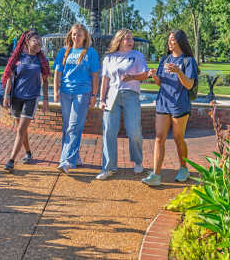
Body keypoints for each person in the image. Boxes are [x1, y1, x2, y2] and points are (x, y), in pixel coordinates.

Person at [141, 29, 199, 186]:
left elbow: (189, 84)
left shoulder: (188, 61)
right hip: (163, 102)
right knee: (159, 137)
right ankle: (156, 175)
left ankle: (183, 168)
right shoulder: (164, 60)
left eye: (172, 39)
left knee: (178, 138)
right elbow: (160, 83)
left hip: (179, 104)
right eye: (169, 40)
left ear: (180, 41)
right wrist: (154, 75)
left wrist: (178, 71)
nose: (169, 42)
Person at [97, 29, 149, 180]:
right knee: (109, 131)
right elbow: (105, 81)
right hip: (112, 95)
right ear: (119, 40)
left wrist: (132, 76)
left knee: (134, 131)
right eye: (128, 38)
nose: (131, 41)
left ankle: (138, 161)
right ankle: (108, 168)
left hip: (131, 95)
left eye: (132, 38)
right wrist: (101, 100)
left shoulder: (137, 56)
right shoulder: (108, 58)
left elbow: (145, 74)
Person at [2, 30, 51, 172]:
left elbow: (46, 81)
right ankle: (28, 153)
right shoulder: (18, 58)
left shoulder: (42, 60)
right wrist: (6, 96)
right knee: (21, 130)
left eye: (40, 40)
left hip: (32, 97)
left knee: (22, 129)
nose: (39, 43)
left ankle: (11, 161)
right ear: (27, 42)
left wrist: (46, 99)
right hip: (16, 97)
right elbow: (9, 78)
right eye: (36, 40)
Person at [54, 23, 99, 174]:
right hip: (65, 92)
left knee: (74, 126)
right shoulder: (64, 51)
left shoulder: (90, 53)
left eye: (79, 35)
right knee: (68, 126)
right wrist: (55, 91)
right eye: (74, 34)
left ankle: (66, 160)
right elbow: (58, 73)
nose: (76, 37)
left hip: (83, 92)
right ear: (70, 35)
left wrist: (94, 95)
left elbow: (95, 75)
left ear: (85, 36)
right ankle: (76, 157)